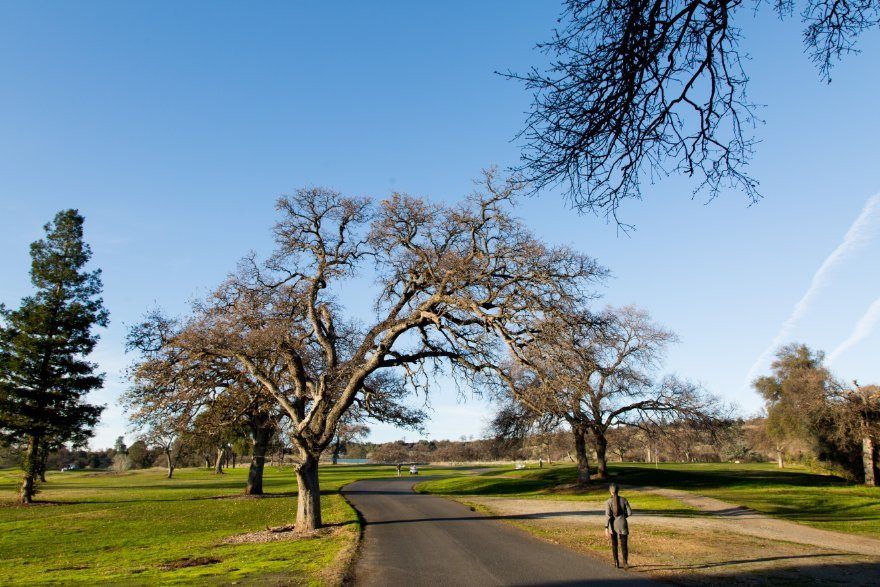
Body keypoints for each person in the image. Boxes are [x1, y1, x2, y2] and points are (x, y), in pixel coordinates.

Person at [604, 483, 632, 569]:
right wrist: (624, 516)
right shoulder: (624, 500)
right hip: (623, 523)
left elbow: (608, 516)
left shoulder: (608, 502)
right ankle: (625, 562)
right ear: (618, 491)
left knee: (614, 544)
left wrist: (606, 527)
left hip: (612, 525)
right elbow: (630, 513)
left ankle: (616, 562)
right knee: (624, 544)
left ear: (610, 492)